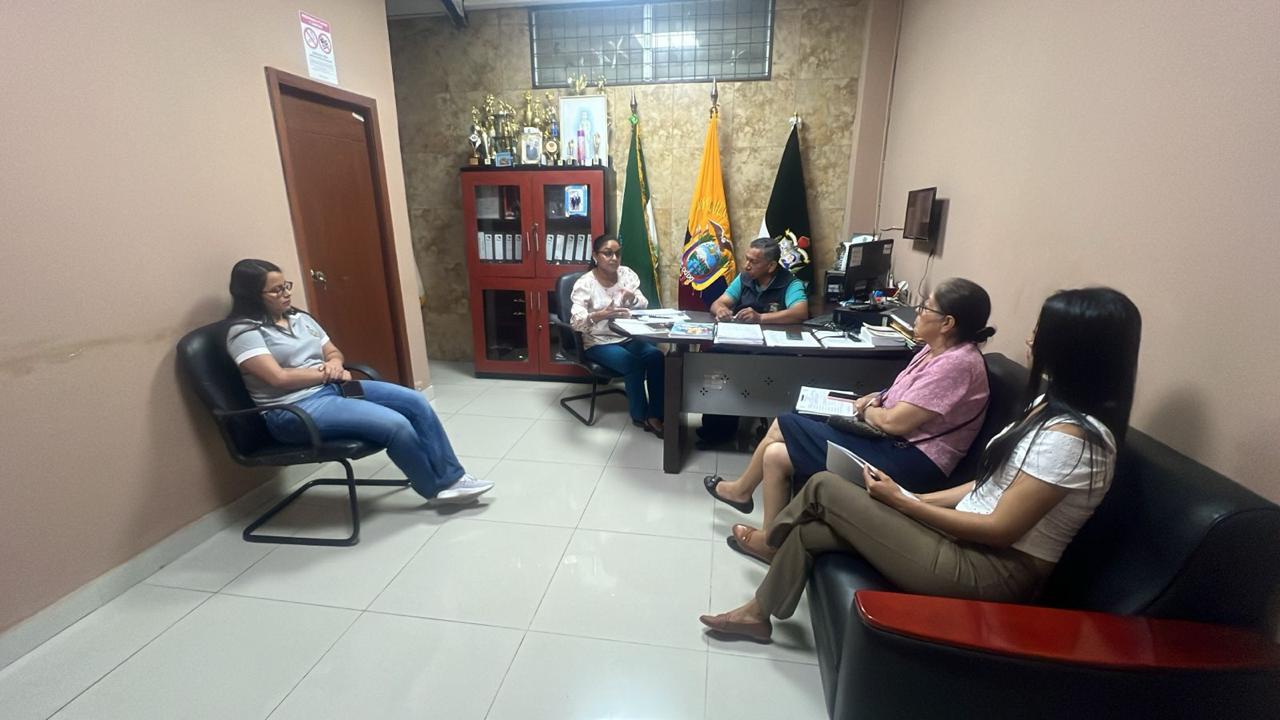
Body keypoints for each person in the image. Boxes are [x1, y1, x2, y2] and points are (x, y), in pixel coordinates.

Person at [699, 287, 1142, 642]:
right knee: (812, 531)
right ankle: (757, 614)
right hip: (965, 541)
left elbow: (1000, 530)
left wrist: (904, 504)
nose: (1031, 339)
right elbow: (985, 484)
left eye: (1042, 331)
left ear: (1074, 350)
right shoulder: (1048, 411)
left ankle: (769, 541)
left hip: (993, 572)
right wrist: (913, 499)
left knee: (823, 488)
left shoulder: (1076, 441)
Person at [706, 277, 995, 563]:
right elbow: (903, 396)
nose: (917, 313)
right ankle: (771, 541)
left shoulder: (958, 364)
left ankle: (742, 492)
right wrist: (876, 397)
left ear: (947, 323)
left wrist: (866, 410)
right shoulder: (934, 351)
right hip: (891, 443)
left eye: (925, 308)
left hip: (910, 462)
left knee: (786, 422)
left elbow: (895, 423)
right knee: (776, 454)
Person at [223, 259, 492, 504]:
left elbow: (333, 352)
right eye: (276, 290)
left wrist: (335, 364)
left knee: (415, 402)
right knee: (396, 424)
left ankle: (453, 478)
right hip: (294, 410)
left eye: (286, 286)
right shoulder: (244, 332)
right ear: (251, 295)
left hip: (331, 388)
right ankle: (435, 489)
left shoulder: (299, 318)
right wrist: (326, 373)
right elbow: (278, 378)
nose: (286, 293)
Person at [699, 236, 811, 448]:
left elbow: (800, 312)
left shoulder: (790, 283)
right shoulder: (744, 279)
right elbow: (719, 302)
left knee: (768, 368)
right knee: (715, 358)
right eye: (747, 259)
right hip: (740, 344)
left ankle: (771, 427)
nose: (747, 265)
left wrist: (761, 318)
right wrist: (721, 310)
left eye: (753, 261)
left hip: (772, 349)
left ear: (771, 266)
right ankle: (717, 430)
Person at [569, 235, 665, 437]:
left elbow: (643, 304)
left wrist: (633, 298)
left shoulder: (626, 275)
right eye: (607, 253)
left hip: (627, 337)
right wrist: (600, 315)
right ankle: (641, 415)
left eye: (617, 253)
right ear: (595, 256)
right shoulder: (585, 284)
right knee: (633, 364)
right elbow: (576, 322)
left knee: (657, 357)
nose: (614, 258)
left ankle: (656, 413)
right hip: (598, 341)